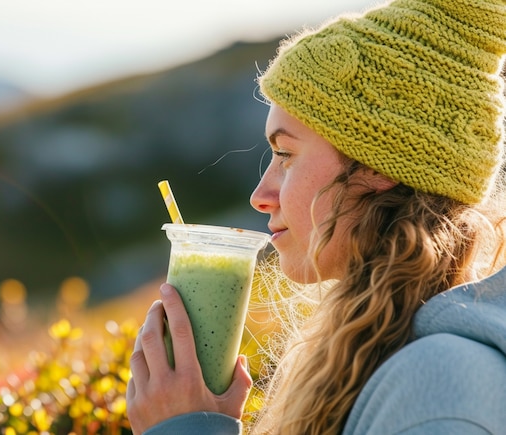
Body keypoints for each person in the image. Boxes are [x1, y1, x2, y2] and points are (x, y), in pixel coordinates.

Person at [126, 0, 506, 433]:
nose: (260, 196)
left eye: (285, 154)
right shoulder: (380, 360)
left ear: (376, 167)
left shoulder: (438, 388)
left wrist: (188, 428)